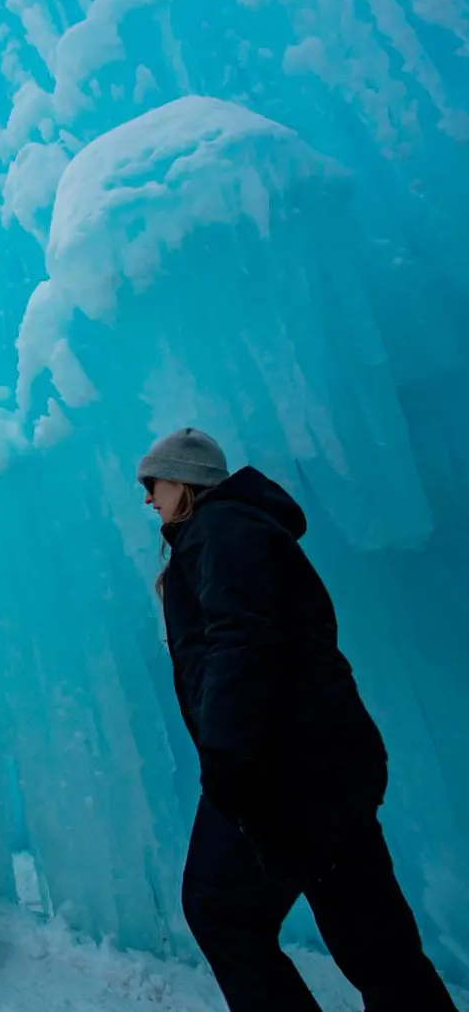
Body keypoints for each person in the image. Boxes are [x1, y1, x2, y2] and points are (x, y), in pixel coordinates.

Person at [137, 428, 456, 1012]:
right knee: (373, 935)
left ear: (184, 479)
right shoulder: (243, 529)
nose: (147, 499)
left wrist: (229, 758)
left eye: (152, 483)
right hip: (326, 760)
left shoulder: (221, 527)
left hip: (277, 766)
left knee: (220, 909)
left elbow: (242, 637)